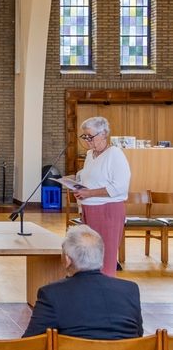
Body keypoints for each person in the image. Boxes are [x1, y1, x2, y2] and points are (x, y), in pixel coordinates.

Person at [22, 225, 142, 339]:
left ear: (67, 260)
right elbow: (138, 336)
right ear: (100, 256)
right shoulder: (130, 290)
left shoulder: (52, 294)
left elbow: (30, 343)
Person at [74, 116, 130, 277]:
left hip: (108, 211)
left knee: (106, 255)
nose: (87, 141)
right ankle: (91, 289)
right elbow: (88, 178)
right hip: (89, 209)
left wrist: (89, 193)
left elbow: (120, 186)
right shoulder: (90, 154)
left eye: (90, 137)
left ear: (104, 134)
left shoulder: (115, 154)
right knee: (90, 255)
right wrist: (75, 183)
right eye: (84, 136)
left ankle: (106, 289)